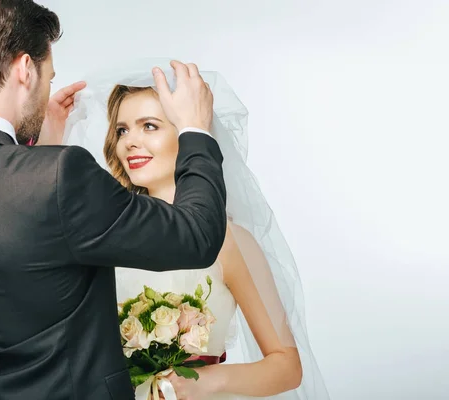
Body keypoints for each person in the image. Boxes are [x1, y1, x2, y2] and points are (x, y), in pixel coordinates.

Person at [0, 2, 228, 400]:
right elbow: (196, 236)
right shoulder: (59, 176)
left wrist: (37, 150)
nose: (48, 89)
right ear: (25, 69)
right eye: (48, 77)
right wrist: (194, 130)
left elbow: (12, 251)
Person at [63, 59, 331, 399]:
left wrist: (206, 381)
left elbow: (287, 367)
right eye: (122, 130)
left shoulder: (229, 241)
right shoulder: (105, 233)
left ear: (186, 132)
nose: (130, 141)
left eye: (149, 126)